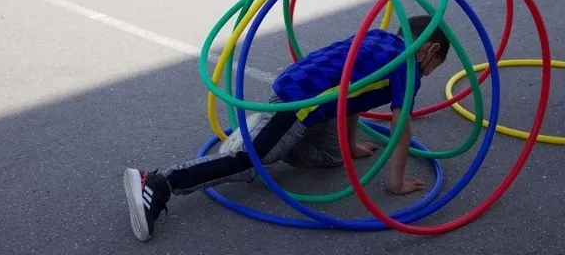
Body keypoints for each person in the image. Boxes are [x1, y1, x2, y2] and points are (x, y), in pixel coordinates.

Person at [123, 15, 450, 241]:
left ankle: (264, 135)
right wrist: (395, 184)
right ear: (432, 50)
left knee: (330, 156)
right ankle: (160, 182)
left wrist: (350, 148)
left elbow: (354, 95)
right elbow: (401, 125)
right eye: (436, 67)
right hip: (300, 103)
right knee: (251, 162)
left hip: (306, 91)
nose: (431, 73)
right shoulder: (407, 65)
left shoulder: (378, 37)